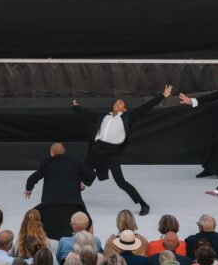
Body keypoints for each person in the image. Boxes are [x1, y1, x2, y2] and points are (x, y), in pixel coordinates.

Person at [72, 85, 172, 216]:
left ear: (124, 109)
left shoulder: (128, 118)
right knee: (79, 174)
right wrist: (76, 107)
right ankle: (76, 194)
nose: (117, 103)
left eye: (121, 103)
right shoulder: (103, 117)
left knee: (121, 182)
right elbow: (87, 113)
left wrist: (162, 96)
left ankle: (143, 204)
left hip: (111, 153)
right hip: (97, 150)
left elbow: (146, 107)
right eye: (116, 102)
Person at [24, 143, 96, 240]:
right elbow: (92, 175)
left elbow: (32, 178)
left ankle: (32, 245)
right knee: (88, 221)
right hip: (74, 205)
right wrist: (84, 183)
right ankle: (90, 245)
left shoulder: (47, 162)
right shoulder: (75, 161)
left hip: (49, 206)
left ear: (51, 153)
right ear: (64, 151)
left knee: (31, 218)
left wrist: (29, 189)